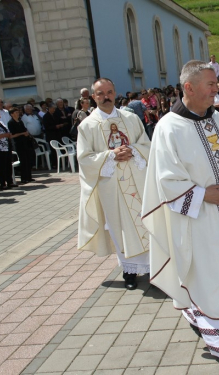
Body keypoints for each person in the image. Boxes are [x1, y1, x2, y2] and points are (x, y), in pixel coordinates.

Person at [141, 60, 219, 373]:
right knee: (214, 281)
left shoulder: (217, 118)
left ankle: (209, 324)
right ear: (189, 88)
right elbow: (166, 180)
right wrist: (202, 195)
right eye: (210, 85)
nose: (217, 90)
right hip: (198, 221)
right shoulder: (168, 128)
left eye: (216, 84)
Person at [77, 78, 151, 290]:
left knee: (145, 223)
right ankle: (129, 272)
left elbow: (147, 144)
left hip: (137, 183)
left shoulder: (131, 118)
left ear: (115, 92)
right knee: (120, 228)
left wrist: (133, 150)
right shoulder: (87, 126)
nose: (106, 96)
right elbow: (84, 159)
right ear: (93, 97)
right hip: (111, 188)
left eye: (109, 92)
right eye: (100, 93)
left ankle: (154, 271)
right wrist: (110, 156)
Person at [7, 107, 35, 184]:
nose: (17, 114)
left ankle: (29, 177)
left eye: (18, 112)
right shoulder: (11, 123)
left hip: (25, 142)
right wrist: (22, 133)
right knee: (23, 160)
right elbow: (12, 135)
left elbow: (24, 129)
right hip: (19, 143)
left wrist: (26, 133)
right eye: (15, 113)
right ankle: (24, 178)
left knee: (28, 159)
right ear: (12, 114)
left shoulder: (20, 121)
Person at [0, 120, 16, 190]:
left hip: (6, 146)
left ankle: (10, 181)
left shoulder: (2, 123)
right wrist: (5, 135)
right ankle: (2, 183)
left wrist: (9, 134)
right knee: (2, 166)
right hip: (0, 148)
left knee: (8, 165)